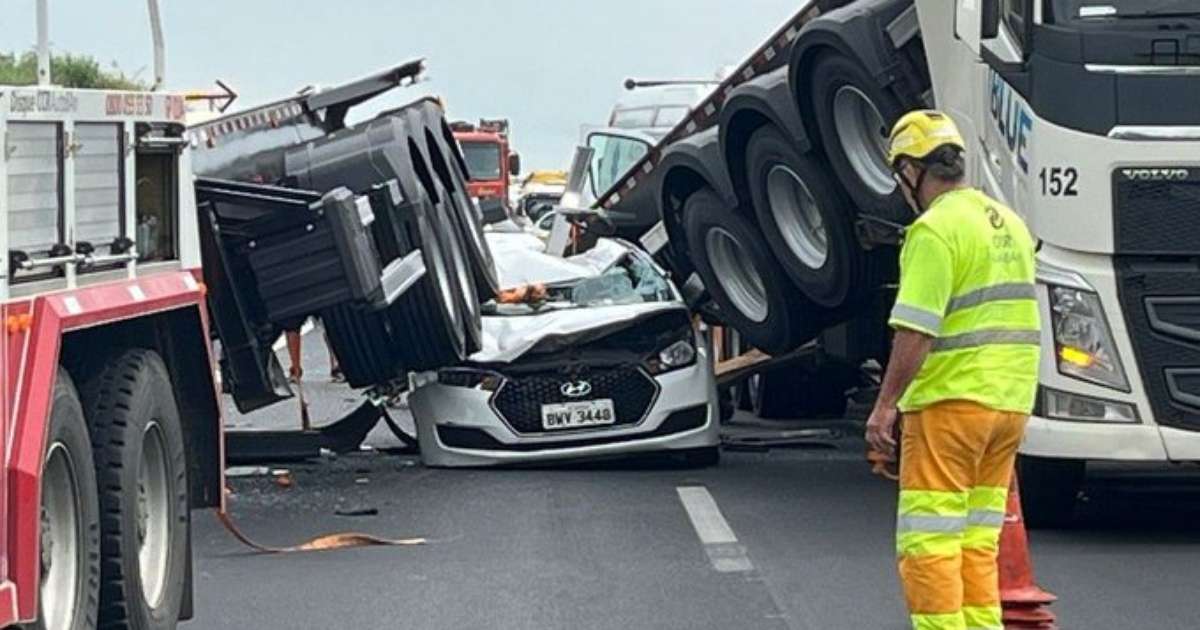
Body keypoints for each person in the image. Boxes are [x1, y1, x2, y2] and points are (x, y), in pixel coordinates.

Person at [864, 110, 1041, 630]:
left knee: (930, 541)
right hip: (1008, 405)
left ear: (911, 172)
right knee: (977, 540)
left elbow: (916, 328)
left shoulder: (934, 230)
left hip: (951, 405)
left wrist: (884, 407)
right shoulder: (1007, 221)